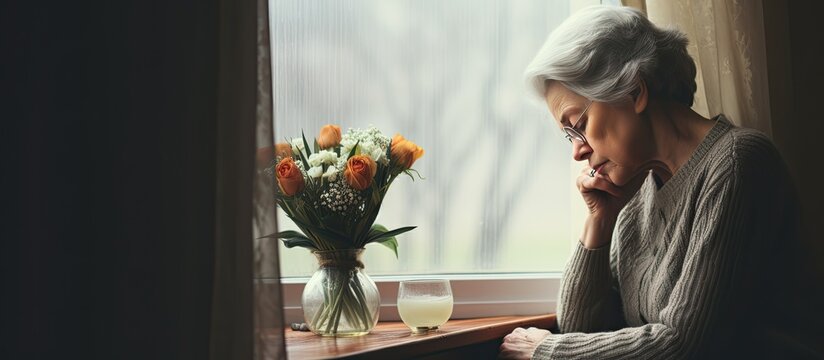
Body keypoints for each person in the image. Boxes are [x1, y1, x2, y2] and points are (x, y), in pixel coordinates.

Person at [499, 5, 821, 359]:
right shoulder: (636, 193)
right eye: (569, 136)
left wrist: (546, 350)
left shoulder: (737, 162)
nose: (577, 152)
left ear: (634, 92)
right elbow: (582, 332)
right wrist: (599, 221)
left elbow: (684, 344)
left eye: (579, 125)